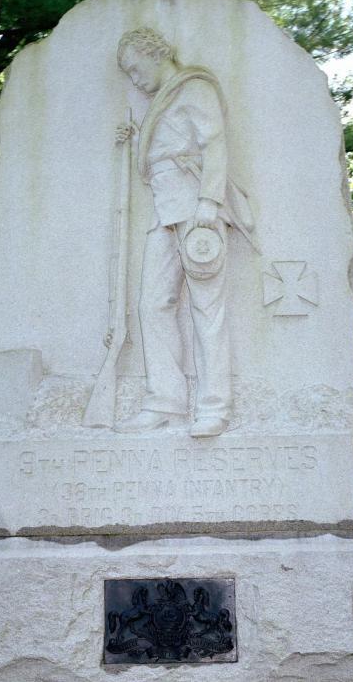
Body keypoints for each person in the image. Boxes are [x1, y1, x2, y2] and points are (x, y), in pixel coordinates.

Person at [115, 28, 255, 438]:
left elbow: (213, 145)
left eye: (136, 69)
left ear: (153, 54)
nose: (135, 80)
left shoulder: (194, 87)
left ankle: (215, 406)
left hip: (196, 209)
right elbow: (165, 149)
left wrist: (209, 205)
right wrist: (136, 138)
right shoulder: (164, 98)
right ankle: (165, 401)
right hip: (164, 210)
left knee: (207, 309)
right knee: (153, 304)